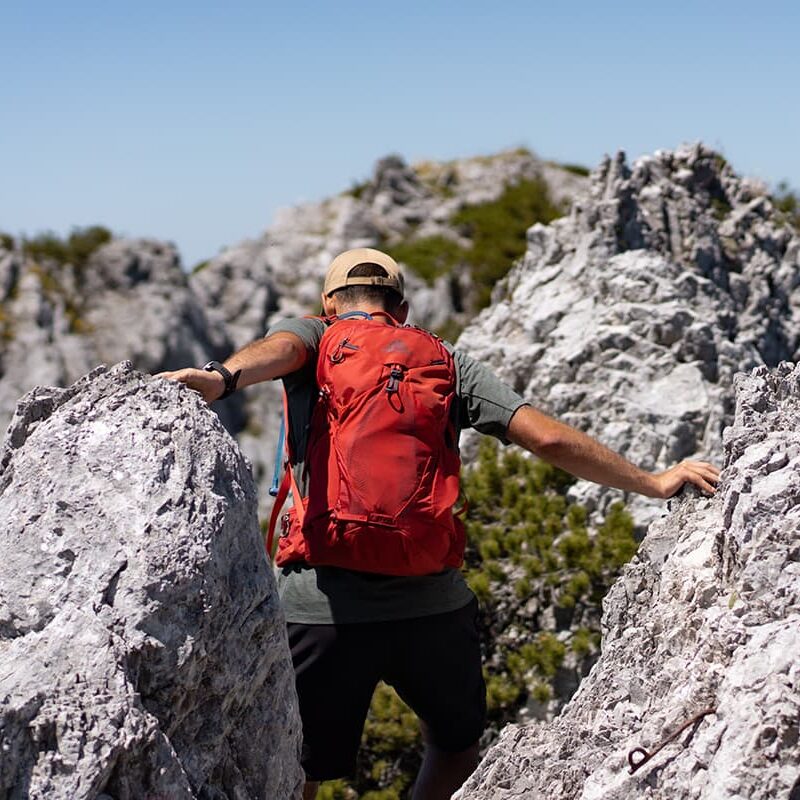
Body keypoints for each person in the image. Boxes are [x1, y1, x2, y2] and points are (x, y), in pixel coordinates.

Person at [160, 248, 720, 800]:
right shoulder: (446, 361)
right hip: (432, 607)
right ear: (399, 308)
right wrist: (651, 480)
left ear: (329, 304)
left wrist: (223, 377)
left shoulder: (314, 337)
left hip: (321, 609)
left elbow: (279, 349)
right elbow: (546, 438)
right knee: (454, 747)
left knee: (297, 767)